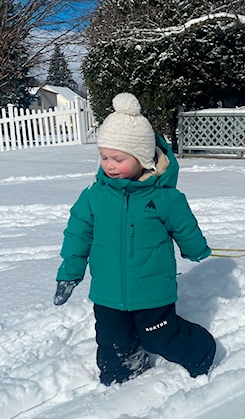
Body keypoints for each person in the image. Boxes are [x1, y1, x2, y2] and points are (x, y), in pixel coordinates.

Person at [54, 92, 216, 386]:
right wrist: (69, 273)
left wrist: (196, 249)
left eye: (118, 158)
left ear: (142, 159)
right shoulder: (94, 196)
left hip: (153, 289)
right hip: (107, 291)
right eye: (104, 157)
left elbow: (184, 227)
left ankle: (201, 351)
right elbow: (78, 234)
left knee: (160, 335)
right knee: (113, 340)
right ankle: (122, 378)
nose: (109, 164)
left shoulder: (165, 197)